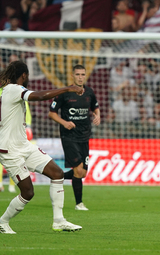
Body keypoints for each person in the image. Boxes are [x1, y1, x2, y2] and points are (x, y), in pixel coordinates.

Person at [0, 61, 83, 234]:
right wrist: (67, 88)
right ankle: (2, 222)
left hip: (23, 145)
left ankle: (59, 221)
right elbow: (39, 96)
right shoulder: (13, 89)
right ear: (24, 75)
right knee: (28, 192)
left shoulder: (9, 91)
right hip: (10, 150)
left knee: (57, 173)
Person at [48, 65, 100, 211]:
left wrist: (98, 115)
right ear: (72, 76)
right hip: (69, 136)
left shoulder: (89, 92)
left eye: (82, 74)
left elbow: (95, 107)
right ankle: (79, 204)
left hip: (84, 136)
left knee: (82, 173)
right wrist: (65, 123)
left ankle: (58, 177)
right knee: (78, 170)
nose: (80, 77)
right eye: (77, 74)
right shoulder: (64, 93)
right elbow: (51, 113)